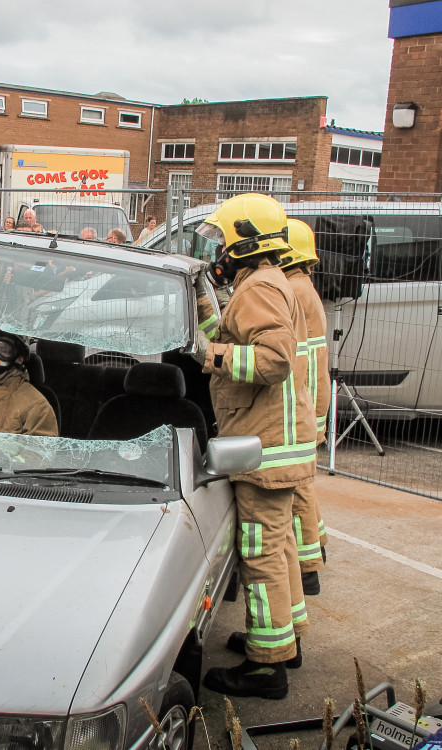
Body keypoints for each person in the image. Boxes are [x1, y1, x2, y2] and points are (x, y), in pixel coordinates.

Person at [195, 194, 315, 700]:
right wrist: (205, 317)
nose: (218, 249)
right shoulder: (266, 283)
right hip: (278, 443)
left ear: (244, 239)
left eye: (222, 239)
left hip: (264, 447)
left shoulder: (259, 288)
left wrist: (211, 353)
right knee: (281, 546)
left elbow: (272, 361)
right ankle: (285, 641)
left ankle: (266, 669)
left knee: (260, 555)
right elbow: (229, 342)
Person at [282, 219, 331, 593]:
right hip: (313, 398)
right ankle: (318, 548)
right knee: (306, 483)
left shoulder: (292, 289)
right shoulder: (304, 285)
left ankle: (308, 567)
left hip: (304, 401)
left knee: (297, 487)